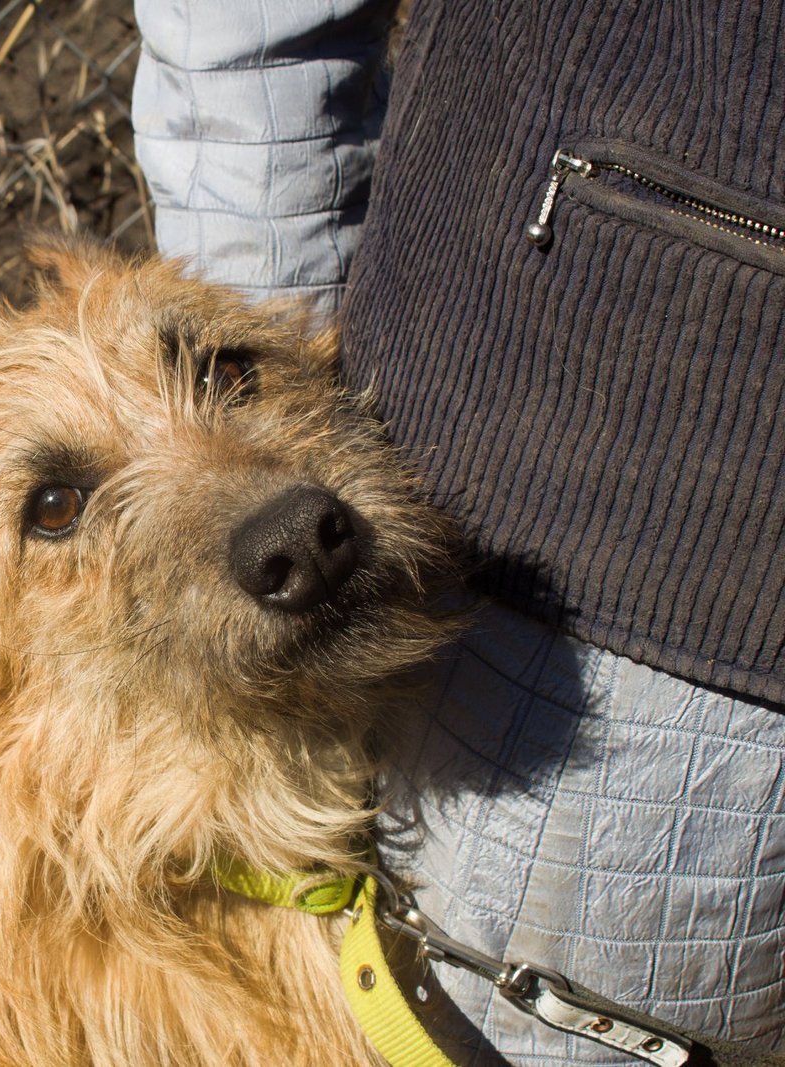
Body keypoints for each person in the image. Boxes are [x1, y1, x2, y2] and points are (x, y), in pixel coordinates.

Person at [134, 1, 785, 1063]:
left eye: (217, 379)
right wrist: (257, 361)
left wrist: (264, 339)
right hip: (646, 486)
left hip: (635, 460)